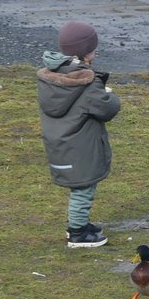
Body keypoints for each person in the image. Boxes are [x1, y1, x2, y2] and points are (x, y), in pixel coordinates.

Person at [37, 20, 121, 248]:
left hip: (61, 144)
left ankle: (80, 225)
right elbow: (107, 109)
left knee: (80, 188)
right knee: (83, 188)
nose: (95, 53)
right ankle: (77, 233)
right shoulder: (86, 83)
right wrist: (108, 94)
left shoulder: (52, 77)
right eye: (93, 49)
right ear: (85, 53)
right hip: (81, 147)